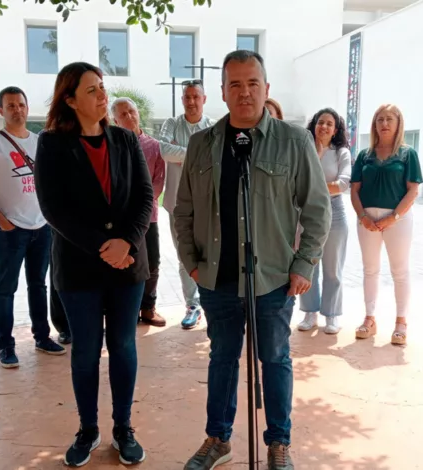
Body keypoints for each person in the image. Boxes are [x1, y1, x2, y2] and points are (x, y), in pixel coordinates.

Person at [175, 50, 331, 470]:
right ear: (223, 92)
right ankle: (218, 439)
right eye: (235, 84)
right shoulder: (202, 144)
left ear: (266, 88)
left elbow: (318, 210)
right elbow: (183, 210)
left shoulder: (294, 141)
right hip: (217, 277)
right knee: (222, 359)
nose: (244, 92)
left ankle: (279, 443)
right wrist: (192, 263)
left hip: (274, 278)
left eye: (252, 83)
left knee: (275, 359)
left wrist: (304, 264)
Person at [34, 63, 154, 467]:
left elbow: (144, 196)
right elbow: (53, 208)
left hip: (127, 263)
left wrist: (126, 242)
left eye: (102, 87)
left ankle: (123, 428)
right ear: (70, 100)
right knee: (86, 349)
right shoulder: (52, 144)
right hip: (79, 265)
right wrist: (104, 246)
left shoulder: (125, 139)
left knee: (123, 345)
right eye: (91, 90)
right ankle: (88, 429)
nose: (102, 95)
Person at [0, 86, 66, 369]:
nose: (17, 110)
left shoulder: (39, 142)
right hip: (11, 232)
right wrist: (4, 224)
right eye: (11, 106)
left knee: (39, 286)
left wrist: (49, 218)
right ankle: (6, 346)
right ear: (1, 110)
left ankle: (42, 337)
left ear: (27, 107)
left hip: (41, 228)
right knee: (6, 289)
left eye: (21, 104)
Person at [350, 103, 423, 346]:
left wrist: (394, 217)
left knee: (399, 271)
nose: (384, 123)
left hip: (397, 220)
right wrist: (363, 217)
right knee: (370, 269)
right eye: (380, 119)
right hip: (367, 220)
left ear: (398, 123)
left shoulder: (408, 154)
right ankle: (370, 319)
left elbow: (413, 190)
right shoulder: (365, 155)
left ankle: (401, 323)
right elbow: (354, 190)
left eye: (389, 119)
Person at [158, 79, 217, 330]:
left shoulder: (213, 127)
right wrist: (197, 154)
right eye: (187, 97)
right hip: (177, 204)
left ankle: (211, 302)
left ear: (204, 99)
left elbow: (216, 156)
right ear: (182, 100)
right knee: (185, 255)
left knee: (210, 253)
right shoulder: (171, 124)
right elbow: (164, 150)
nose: (191, 101)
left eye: (196, 97)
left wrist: (182, 154)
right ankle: (193, 305)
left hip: (208, 204)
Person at [111, 97, 167, 327]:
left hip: (148, 217)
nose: (129, 116)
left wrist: (141, 205)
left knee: (152, 262)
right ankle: (129, 310)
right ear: (115, 120)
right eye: (123, 114)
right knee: (127, 263)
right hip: (121, 218)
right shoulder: (113, 146)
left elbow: (158, 181)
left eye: (131, 111)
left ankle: (148, 307)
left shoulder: (154, 146)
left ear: (138, 113)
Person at [297, 108, 352, 334]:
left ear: (335, 129)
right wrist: (317, 157)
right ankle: (309, 312)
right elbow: (298, 180)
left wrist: (314, 187)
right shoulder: (304, 149)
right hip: (306, 213)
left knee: (333, 268)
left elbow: (343, 184)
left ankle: (331, 315)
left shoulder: (341, 153)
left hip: (334, 213)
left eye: (329, 124)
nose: (324, 127)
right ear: (314, 125)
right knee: (308, 265)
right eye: (321, 122)